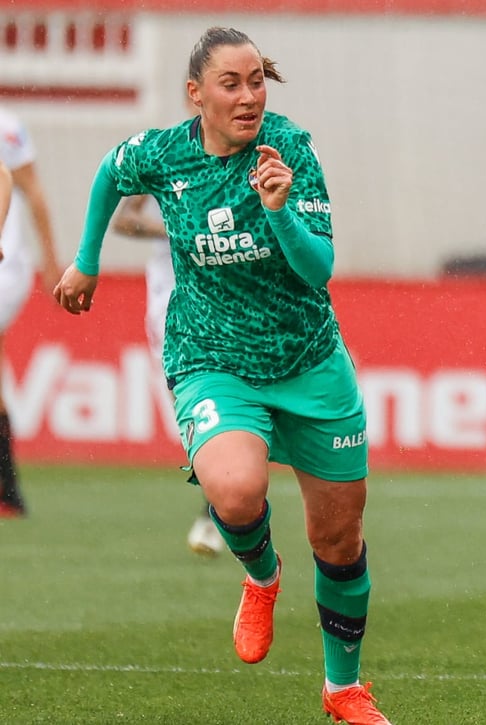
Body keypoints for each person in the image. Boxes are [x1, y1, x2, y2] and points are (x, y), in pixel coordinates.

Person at [52, 27, 391, 724]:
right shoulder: (167, 153)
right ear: (195, 95)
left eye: (256, 82)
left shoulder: (290, 150)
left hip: (308, 362)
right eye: (230, 85)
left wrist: (279, 211)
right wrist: (86, 257)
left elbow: (319, 270)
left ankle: (342, 688)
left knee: (339, 538)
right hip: (211, 358)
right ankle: (262, 575)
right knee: (235, 493)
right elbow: (111, 172)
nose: (247, 97)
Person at [111, 188, 226, 557]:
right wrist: (175, 231)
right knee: (188, 409)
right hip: (167, 296)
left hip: (222, 294)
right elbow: (125, 221)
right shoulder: (161, 158)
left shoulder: (240, 161)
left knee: (222, 400)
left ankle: (216, 511)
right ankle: (220, 502)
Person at [0, 106, 58, 519]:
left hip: (8, 268)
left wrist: (52, 262)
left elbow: (27, 188)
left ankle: (7, 487)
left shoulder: (6, 126)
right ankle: (9, 488)